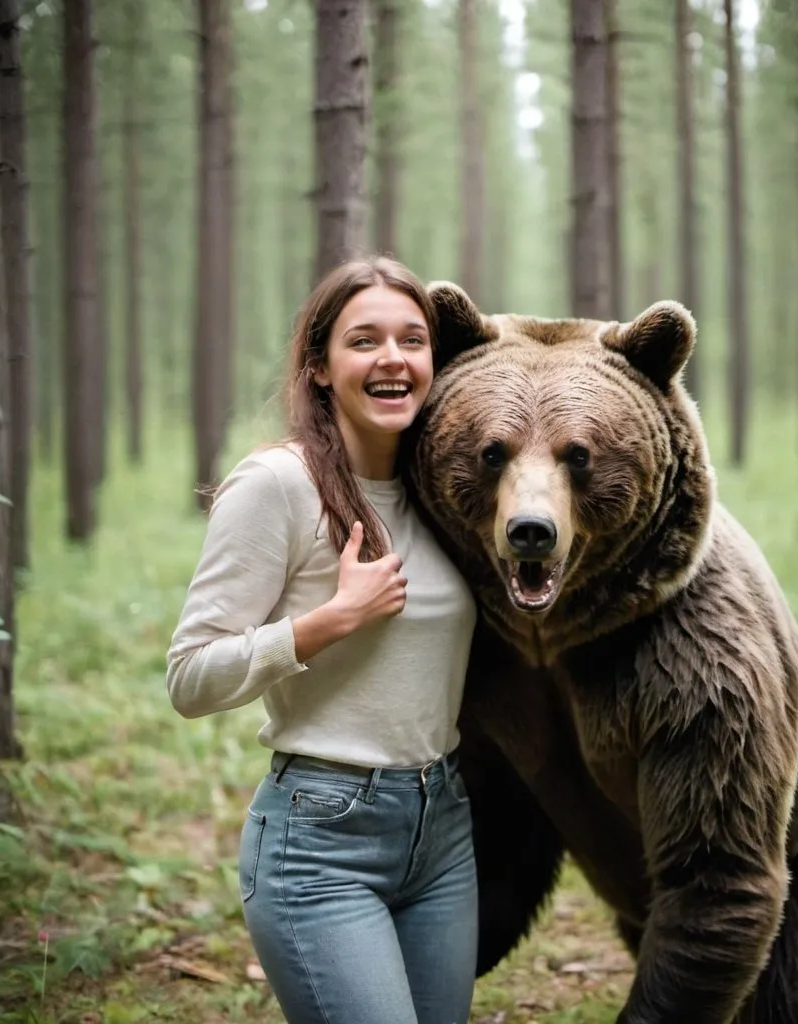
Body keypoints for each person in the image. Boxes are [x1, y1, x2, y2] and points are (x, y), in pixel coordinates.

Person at [166, 256, 478, 1024]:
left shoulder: (445, 490)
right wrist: (331, 619)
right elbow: (190, 678)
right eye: (363, 340)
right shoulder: (277, 484)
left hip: (443, 832)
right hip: (321, 842)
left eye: (413, 340)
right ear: (318, 367)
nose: (393, 359)